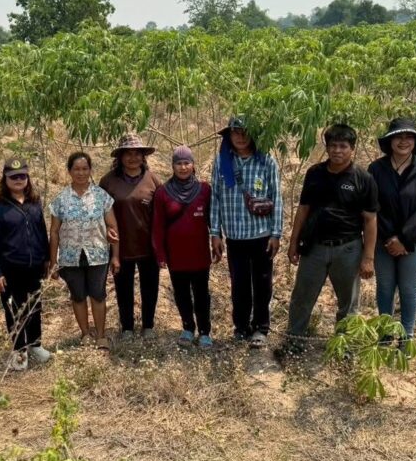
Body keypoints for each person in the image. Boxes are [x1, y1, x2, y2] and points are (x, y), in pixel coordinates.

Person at [286, 124, 378, 346]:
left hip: (348, 249)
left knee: (348, 304)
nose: (337, 150)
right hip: (314, 247)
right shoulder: (314, 173)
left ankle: (343, 346)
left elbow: (370, 220)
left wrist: (368, 257)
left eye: (343, 146)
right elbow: (303, 209)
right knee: (302, 298)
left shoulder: (363, 179)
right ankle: (294, 342)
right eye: (333, 146)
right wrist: (293, 242)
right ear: (326, 147)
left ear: (352, 149)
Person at [209, 116, 283, 348]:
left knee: (263, 284)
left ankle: (261, 327)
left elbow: (277, 197)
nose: (240, 137)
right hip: (235, 236)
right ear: (229, 136)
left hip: (261, 235)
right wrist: (215, 233)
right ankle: (241, 327)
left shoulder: (266, 161)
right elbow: (215, 198)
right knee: (239, 284)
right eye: (235, 132)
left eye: (245, 132)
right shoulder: (222, 162)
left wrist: (276, 233)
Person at [368, 119, 416, 340]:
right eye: (398, 137)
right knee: (385, 287)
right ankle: (385, 333)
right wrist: (390, 238)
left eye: (409, 137)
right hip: (383, 242)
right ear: (389, 141)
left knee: (408, 288)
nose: (403, 141)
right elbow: (372, 206)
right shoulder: (376, 169)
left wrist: (404, 239)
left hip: (414, 243)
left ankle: (407, 336)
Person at [0, 158, 53, 372]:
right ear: (5, 179)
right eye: (13, 177)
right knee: (14, 310)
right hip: (10, 268)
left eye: (22, 176)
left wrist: (47, 258)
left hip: (35, 266)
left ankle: (35, 345)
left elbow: (42, 231)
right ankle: (19, 350)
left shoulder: (34, 202)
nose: (18, 180)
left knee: (34, 307)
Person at [49, 151, 120, 349]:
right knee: (78, 295)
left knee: (98, 294)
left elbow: (113, 227)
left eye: (85, 169)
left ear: (90, 170)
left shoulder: (101, 197)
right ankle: (85, 333)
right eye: (76, 169)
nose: (81, 173)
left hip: (97, 254)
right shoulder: (60, 199)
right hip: (70, 256)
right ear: (69, 171)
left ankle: (101, 335)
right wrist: (53, 261)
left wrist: (115, 256)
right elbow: (54, 231)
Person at [99, 133, 162, 340]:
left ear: (143, 156)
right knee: (123, 288)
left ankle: (148, 325)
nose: (133, 158)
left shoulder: (153, 180)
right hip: (120, 246)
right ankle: (126, 327)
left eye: (137, 153)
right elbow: (100, 213)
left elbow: (161, 213)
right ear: (120, 157)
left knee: (150, 287)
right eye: (128, 153)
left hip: (148, 245)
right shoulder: (108, 181)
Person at [152, 146, 215, 349]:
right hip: (176, 255)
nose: (183, 167)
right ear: (172, 166)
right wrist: (160, 254)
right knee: (181, 293)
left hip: (199, 253)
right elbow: (158, 226)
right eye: (178, 163)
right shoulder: (163, 192)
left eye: (186, 163)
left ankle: (204, 331)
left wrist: (217, 241)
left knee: (201, 293)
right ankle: (188, 327)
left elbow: (213, 221)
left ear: (193, 165)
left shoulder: (205, 189)